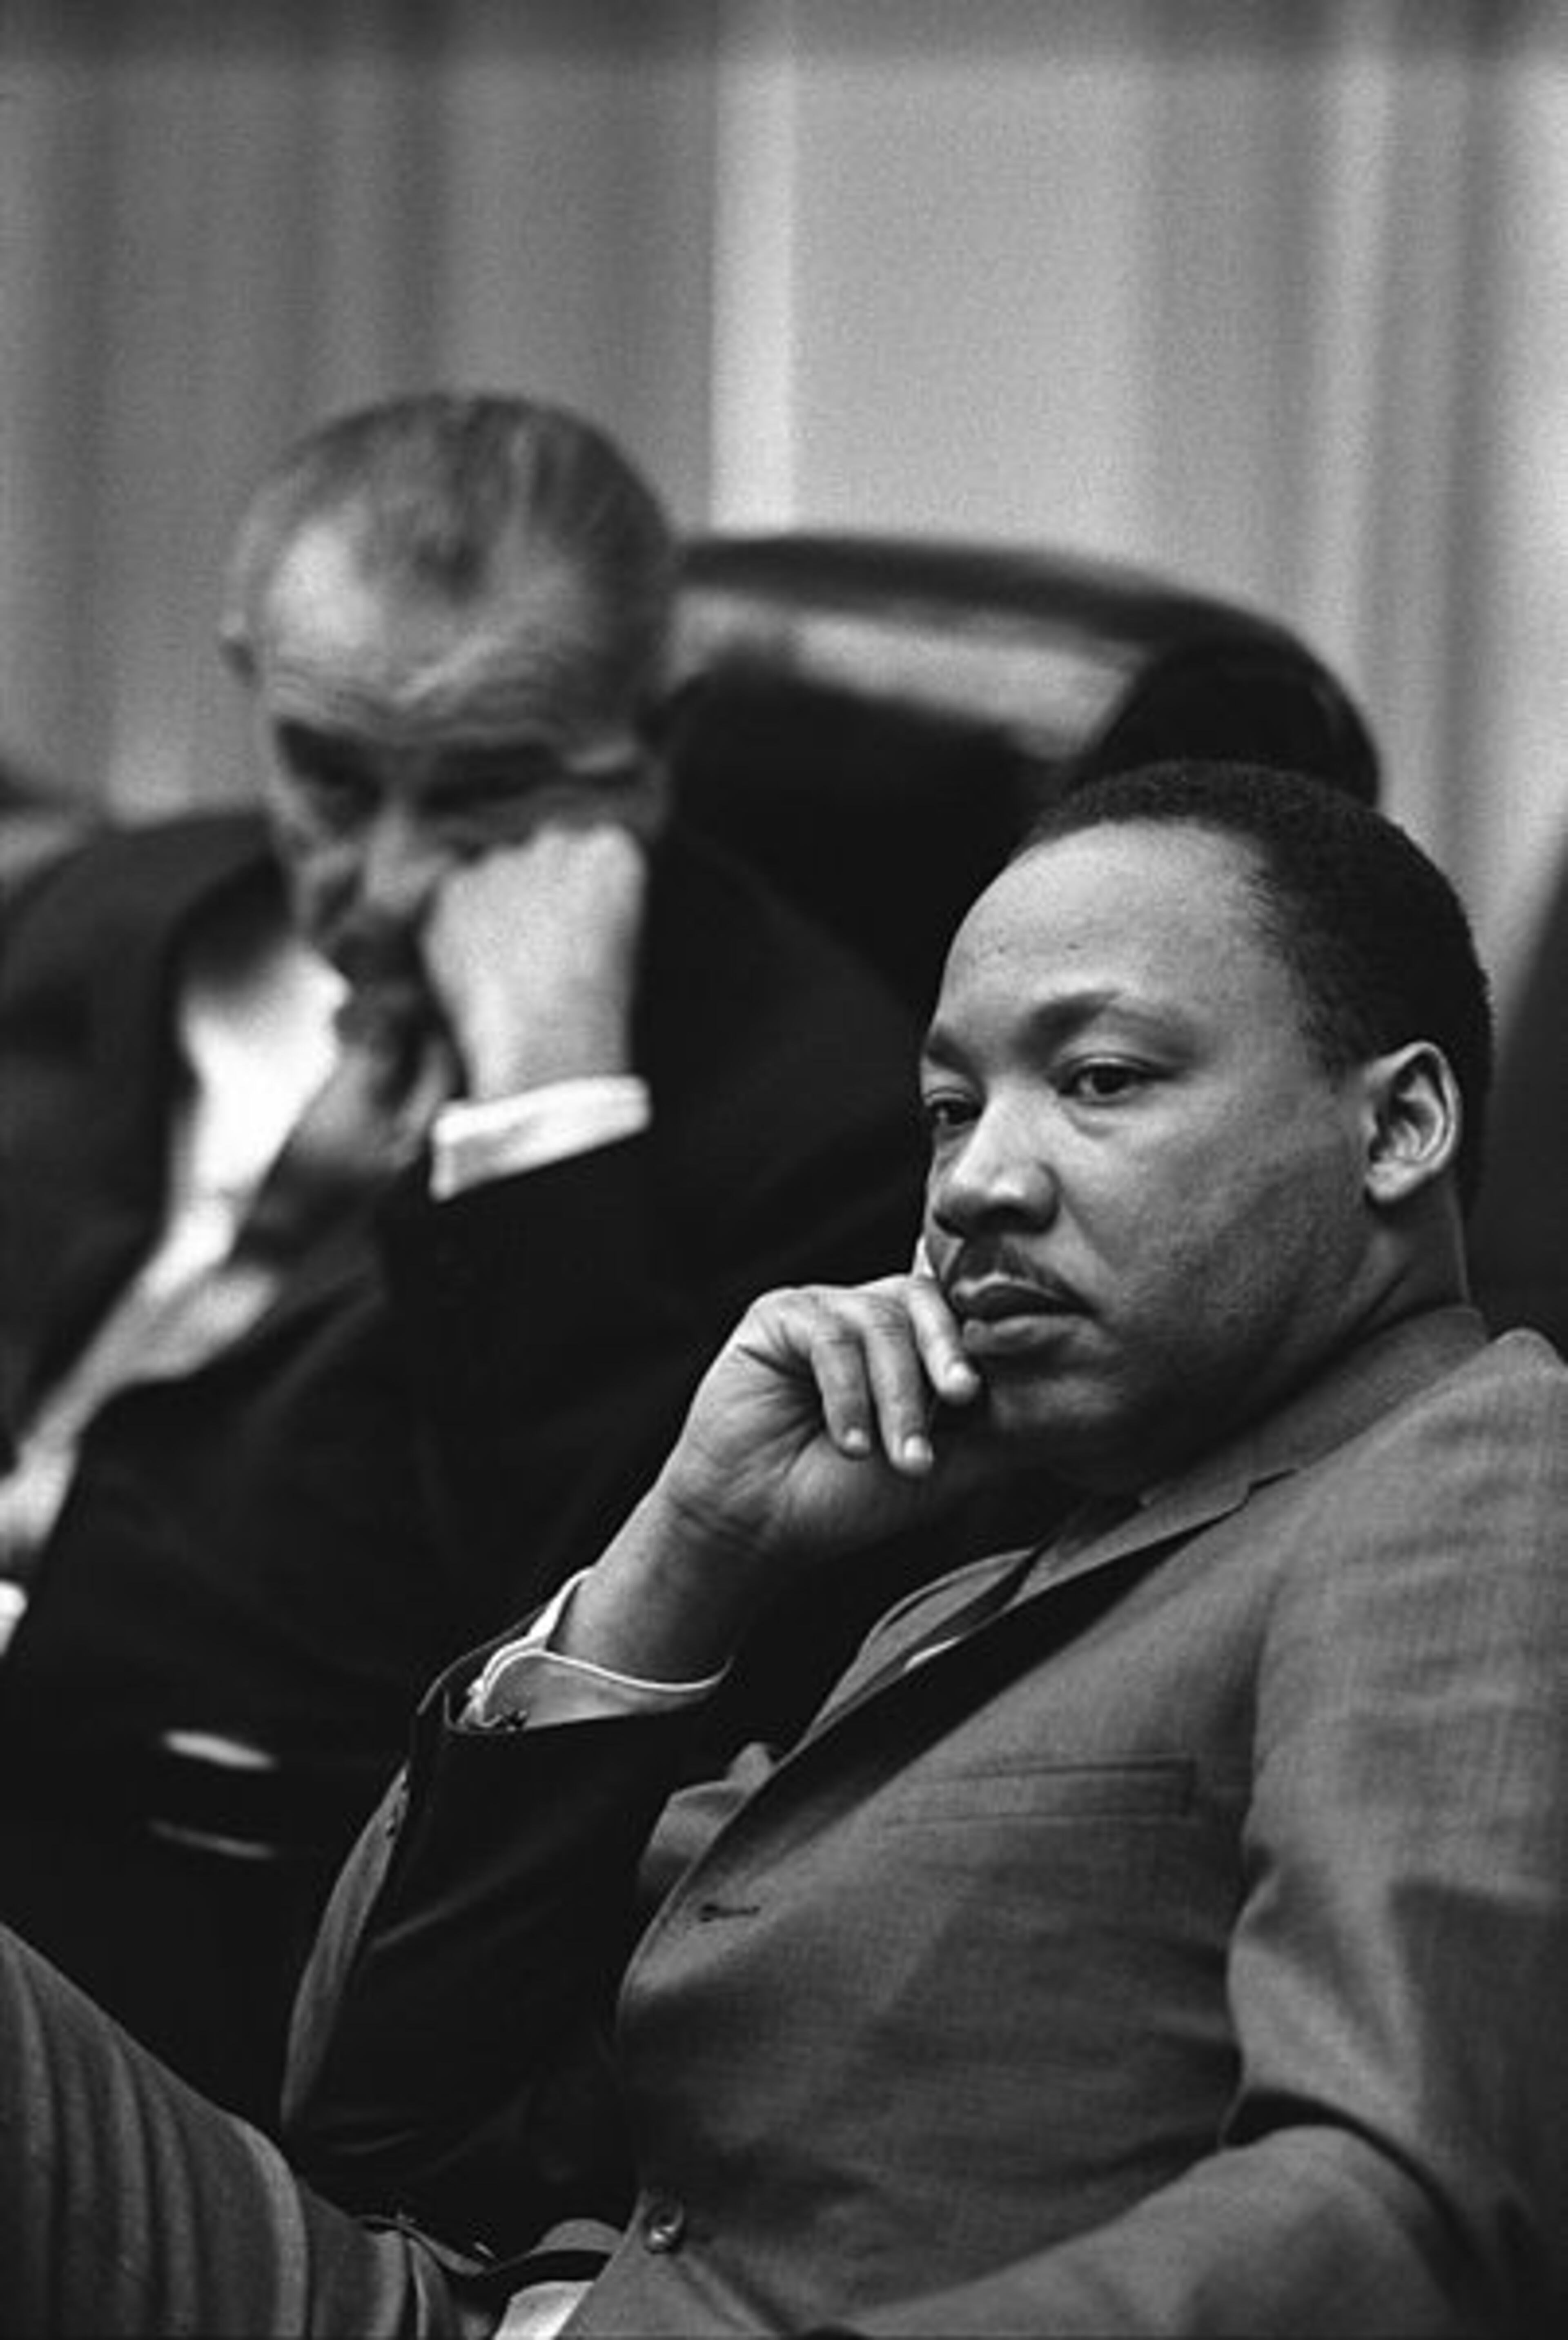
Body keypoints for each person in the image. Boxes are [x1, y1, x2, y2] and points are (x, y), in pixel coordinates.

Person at [3, 759, 1565, 2339]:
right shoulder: (978, 1579)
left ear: (1400, 1126)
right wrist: (687, 1547)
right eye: (950, 1108)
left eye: (1099, 1078)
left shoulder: (1471, 1468)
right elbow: (370, 2110)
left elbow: (1399, 2211)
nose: (977, 1182)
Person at [0, 392, 925, 2124]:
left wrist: (547, 1114)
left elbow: (607, 1682)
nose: (390, 881)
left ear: (655, 738)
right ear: (252, 676)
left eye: (495, 795)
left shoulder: (824, 1123)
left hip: (222, 1958)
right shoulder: (100, 917)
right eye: (330, 777)